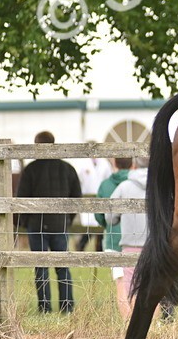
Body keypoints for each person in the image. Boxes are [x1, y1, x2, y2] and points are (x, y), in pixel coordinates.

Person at [16, 131, 81, 314]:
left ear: (37, 145)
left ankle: (44, 307)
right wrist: (68, 217)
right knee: (62, 266)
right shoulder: (67, 168)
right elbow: (77, 197)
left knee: (41, 267)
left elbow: (21, 199)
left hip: (37, 226)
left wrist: (23, 222)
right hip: (60, 224)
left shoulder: (31, 170)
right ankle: (66, 306)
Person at [108, 158, 148, 322]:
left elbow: (110, 216)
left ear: (134, 166)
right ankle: (149, 327)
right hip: (153, 245)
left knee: (129, 286)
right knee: (150, 287)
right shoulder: (160, 185)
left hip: (130, 244)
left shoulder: (124, 187)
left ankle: (129, 325)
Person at [95, 157, 132, 318]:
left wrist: (108, 225)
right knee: (140, 282)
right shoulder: (137, 182)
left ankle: (127, 321)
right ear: (132, 163)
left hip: (114, 238)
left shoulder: (105, 185)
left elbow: (99, 215)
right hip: (138, 238)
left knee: (121, 282)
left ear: (114, 162)